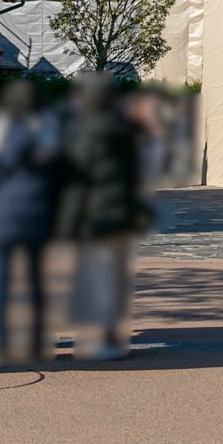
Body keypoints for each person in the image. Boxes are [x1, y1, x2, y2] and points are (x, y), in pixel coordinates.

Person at [0, 80, 61, 367]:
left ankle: (1, 345)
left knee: (1, 284)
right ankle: (36, 344)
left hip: (1, 217)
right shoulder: (47, 132)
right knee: (35, 283)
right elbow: (58, 181)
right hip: (37, 216)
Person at [58, 73, 152, 362]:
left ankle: (98, 343)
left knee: (93, 279)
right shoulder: (125, 129)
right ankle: (110, 338)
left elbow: (77, 180)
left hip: (93, 217)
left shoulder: (83, 131)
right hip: (121, 214)